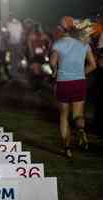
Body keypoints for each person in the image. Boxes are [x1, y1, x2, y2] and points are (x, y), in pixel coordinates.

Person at [50, 17, 97, 158]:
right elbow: (93, 65)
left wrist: (54, 71)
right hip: (79, 82)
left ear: (62, 29)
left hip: (63, 82)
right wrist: (81, 73)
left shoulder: (58, 44)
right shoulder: (84, 44)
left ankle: (67, 148)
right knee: (78, 115)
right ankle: (81, 131)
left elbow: (52, 62)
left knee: (64, 116)